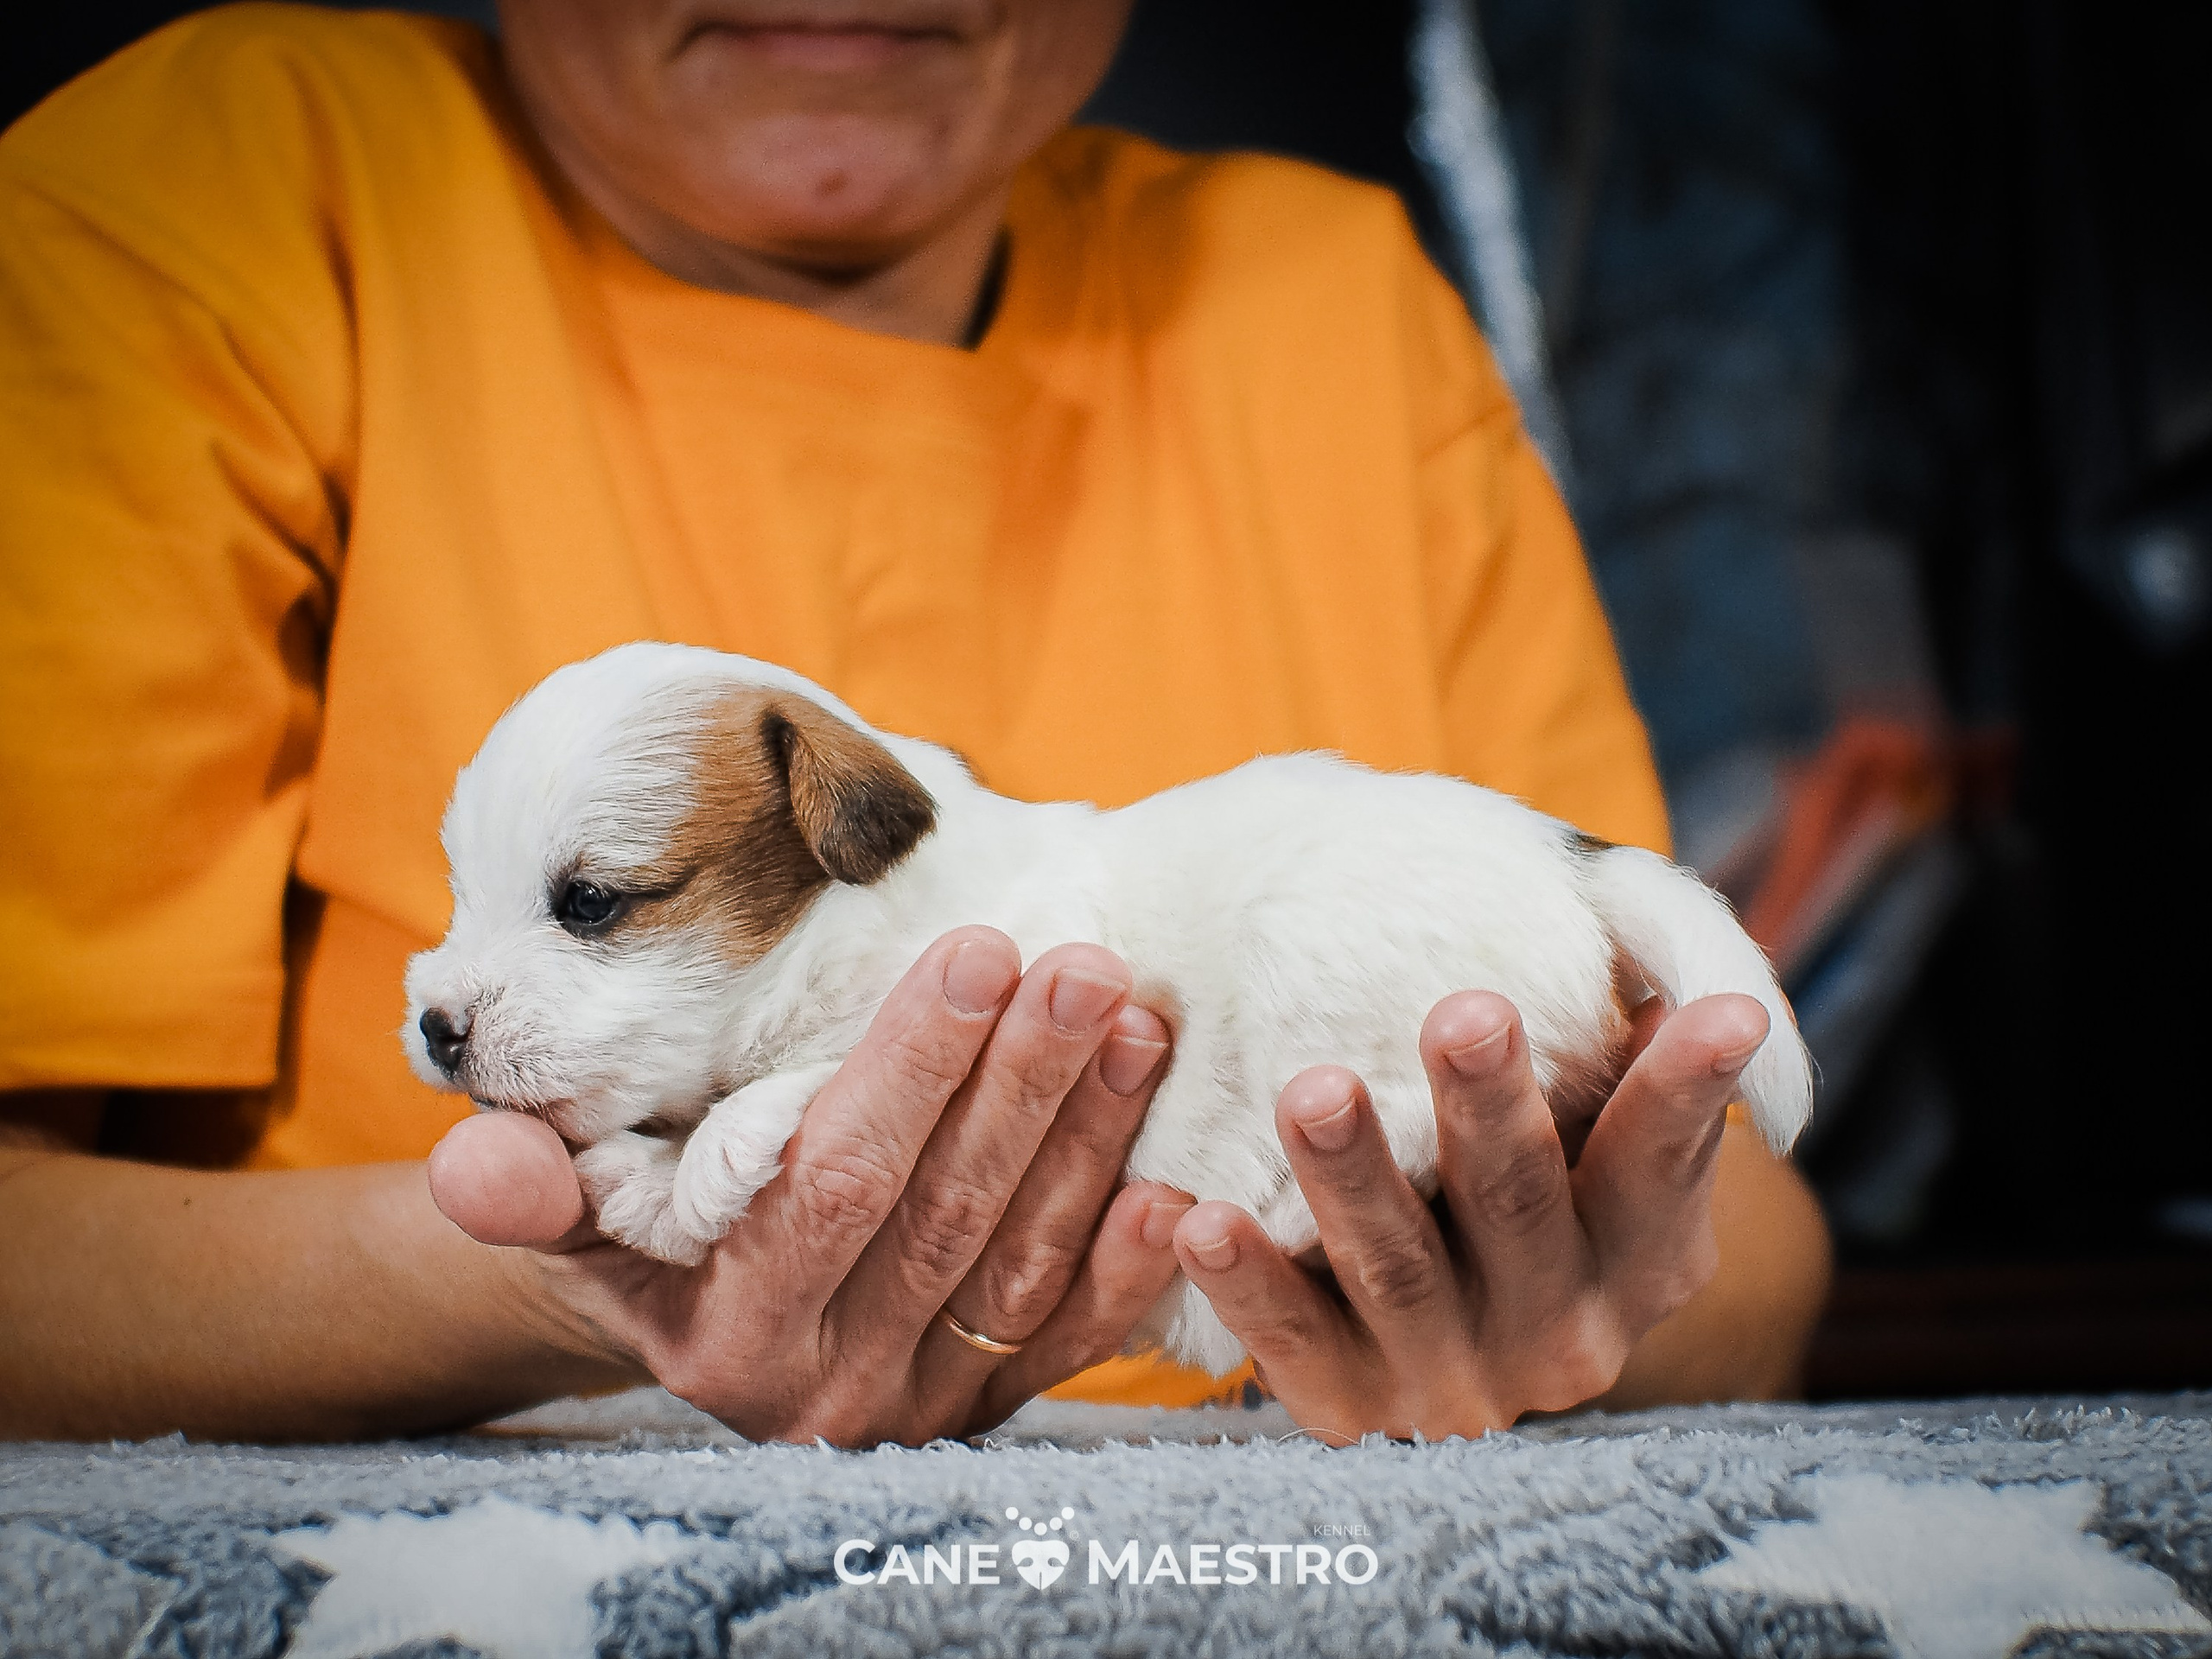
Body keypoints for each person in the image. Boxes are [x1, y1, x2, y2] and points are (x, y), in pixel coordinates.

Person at [0, 0, 1830, 1445]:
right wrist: (564, 1284)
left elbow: (1732, 1219)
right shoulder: (218, 196)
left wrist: (1572, 1297)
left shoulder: (1330, 303)